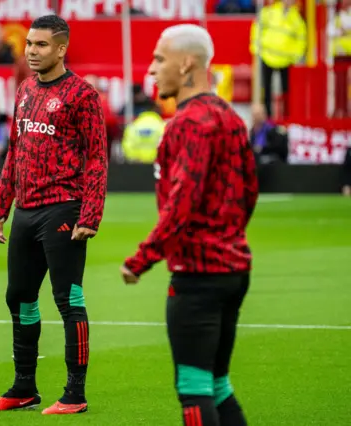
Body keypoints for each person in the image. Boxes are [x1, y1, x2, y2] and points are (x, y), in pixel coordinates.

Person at [120, 24, 259, 426]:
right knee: (217, 385)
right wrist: (228, 235)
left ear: (186, 65)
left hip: (199, 274)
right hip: (235, 268)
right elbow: (250, 190)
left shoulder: (187, 124)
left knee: (194, 391)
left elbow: (180, 204)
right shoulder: (231, 118)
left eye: (159, 59)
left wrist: (141, 259)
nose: (151, 69)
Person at [0, 15, 108, 415]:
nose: (31, 51)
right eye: (29, 44)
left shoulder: (82, 95)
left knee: (68, 299)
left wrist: (91, 213)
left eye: (40, 45)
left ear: (60, 48)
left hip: (64, 209)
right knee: (18, 297)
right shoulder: (24, 90)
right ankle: (24, 387)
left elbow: (97, 157)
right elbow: (15, 152)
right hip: (26, 212)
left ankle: (75, 393)